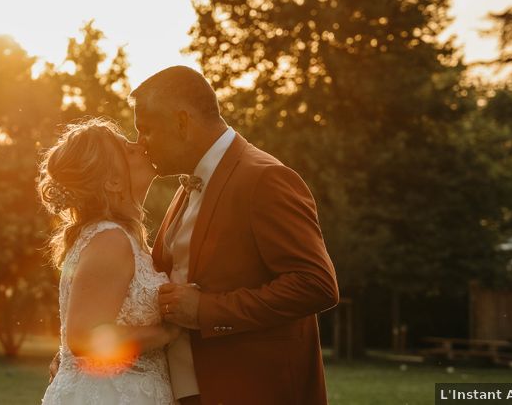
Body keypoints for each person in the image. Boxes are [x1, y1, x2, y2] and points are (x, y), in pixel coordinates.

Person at [133, 65, 339, 405]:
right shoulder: (187, 186)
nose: (141, 144)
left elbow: (316, 284)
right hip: (185, 391)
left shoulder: (265, 179)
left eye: (147, 130)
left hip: (250, 389)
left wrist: (208, 311)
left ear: (182, 122)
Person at [39, 118, 180, 405]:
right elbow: (81, 338)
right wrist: (166, 332)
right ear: (113, 181)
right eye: (128, 149)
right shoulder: (110, 239)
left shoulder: (117, 236)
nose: (140, 145)